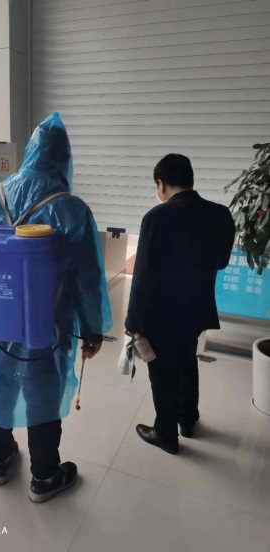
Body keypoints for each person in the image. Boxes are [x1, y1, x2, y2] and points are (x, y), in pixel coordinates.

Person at [0, 113, 112, 502]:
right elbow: (87, 279)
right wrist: (93, 330)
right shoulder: (71, 209)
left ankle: (0, 459)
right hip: (46, 324)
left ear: (30, 154)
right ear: (63, 160)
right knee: (43, 396)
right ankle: (45, 477)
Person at [125, 154, 235, 454]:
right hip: (197, 308)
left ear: (161, 184)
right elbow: (222, 261)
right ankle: (187, 420)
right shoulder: (220, 214)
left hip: (160, 312)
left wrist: (132, 321)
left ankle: (166, 434)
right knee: (187, 360)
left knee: (161, 371)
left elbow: (143, 276)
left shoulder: (156, 218)